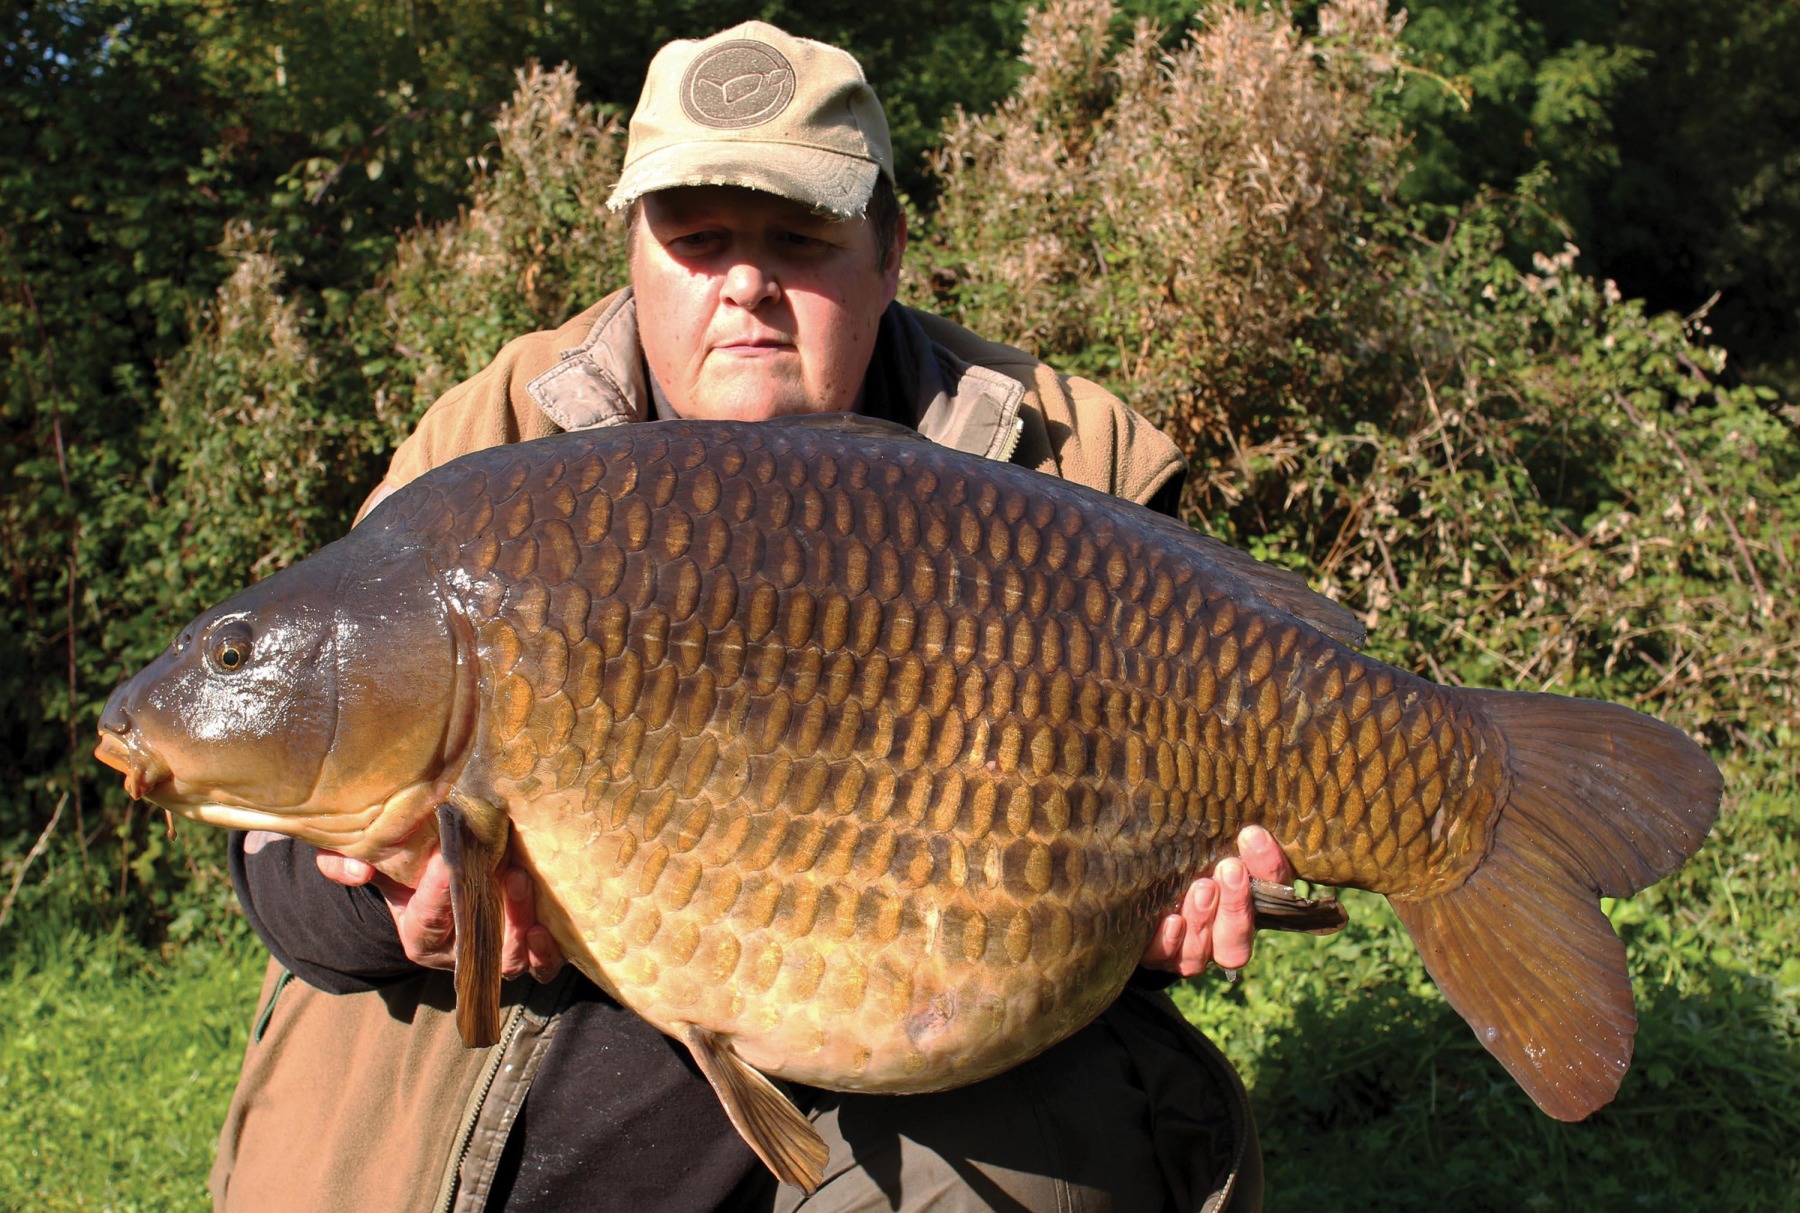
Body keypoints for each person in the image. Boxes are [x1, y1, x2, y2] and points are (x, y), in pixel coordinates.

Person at [210, 22, 1296, 1213]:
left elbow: (1176, 821)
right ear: (632, 254)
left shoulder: (1061, 461)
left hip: (903, 1065)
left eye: (799, 239)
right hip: (533, 1072)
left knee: (1052, 1136)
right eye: (698, 239)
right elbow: (276, 856)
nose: (746, 283)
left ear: (887, 252)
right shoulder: (481, 457)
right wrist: (400, 911)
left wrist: (1133, 904)